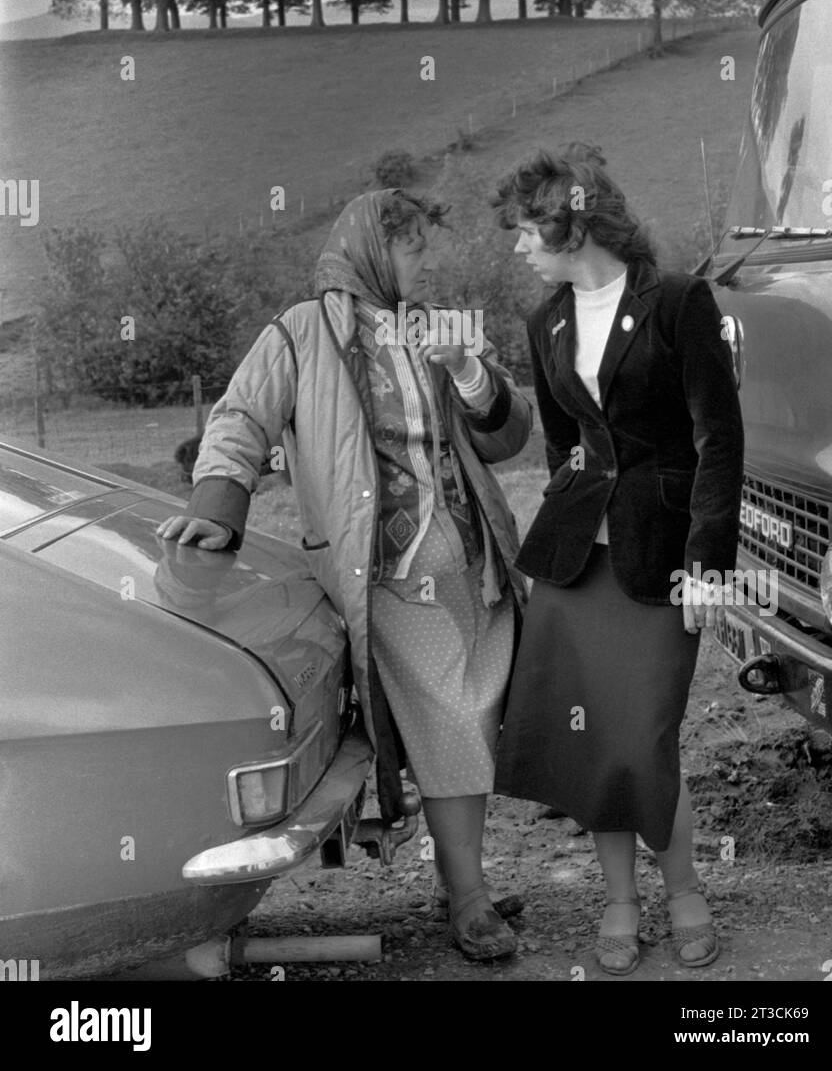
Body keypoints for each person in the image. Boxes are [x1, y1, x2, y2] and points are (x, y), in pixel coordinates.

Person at [157, 189, 532, 961]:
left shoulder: (439, 324)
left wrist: (467, 370)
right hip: (388, 579)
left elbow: (507, 437)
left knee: (473, 731)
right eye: (414, 247)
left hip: (476, 569)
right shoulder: (302, 333)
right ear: (372, 249)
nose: (427, 262)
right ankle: (468, 900)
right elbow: (238, 420)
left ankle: (457, 876)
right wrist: (220, 507)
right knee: (454, 730)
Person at [491, 146, 744, 975]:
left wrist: (708, 562)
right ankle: (620, 903)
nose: (519, 247)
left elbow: (717, 438)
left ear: (572, 219)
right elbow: (566, 445)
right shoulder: (544, 322)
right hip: (574, 567)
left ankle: (683, 892)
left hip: (661, 558)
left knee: (644, 739)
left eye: (526, 230)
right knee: (594, 743)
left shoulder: (677, 302)